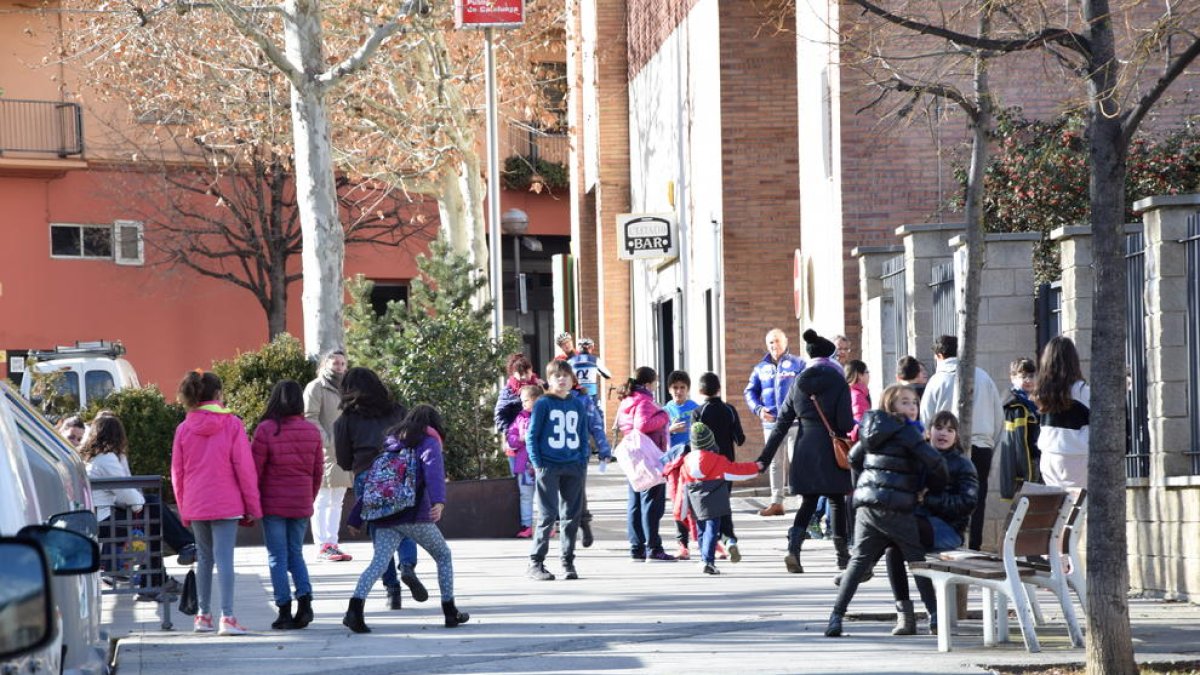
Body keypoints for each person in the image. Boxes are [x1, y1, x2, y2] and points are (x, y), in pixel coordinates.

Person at [825, 384, 948, 638]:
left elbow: (853, 458)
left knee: (858, 562)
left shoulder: (872, 429)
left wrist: (864, 487)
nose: (912, 407)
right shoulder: (908, 432)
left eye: (914, 402)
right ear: (891, 405)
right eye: (905, 402)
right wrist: (930, 488)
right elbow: (935, 462)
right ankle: (935, 617)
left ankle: (836, 616)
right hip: (897, 508)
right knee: (918, 563)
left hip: (868, 508)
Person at [343, 405, 470, 632]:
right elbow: (434, 472)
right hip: (414, 516)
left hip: (385, 516)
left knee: (378, 563)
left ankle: (354, 610)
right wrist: (439, 502)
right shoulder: (428, 442)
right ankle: (450, 611)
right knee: (443, 555)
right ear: (433, 424)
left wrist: (355, 518)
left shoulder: (390, 447)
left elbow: (375, 484)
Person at [171, 370, 262, 635]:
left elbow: (178, 473)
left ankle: (203, 616)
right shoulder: (233, 424)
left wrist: (184, 508)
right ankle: (228, 618)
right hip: (227, 502)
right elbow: (244, 469)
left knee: (204, 559)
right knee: (225, 560)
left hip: (197, 502)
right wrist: (252, 506)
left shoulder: (183, 428)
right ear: (219, 394)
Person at [756, 330, 854, 574]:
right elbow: (845, 423)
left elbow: (781, 423)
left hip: (804, 449)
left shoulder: (798, 382)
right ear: (831, 356)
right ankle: (843, 557)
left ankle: (793, 550)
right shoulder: (838, 380)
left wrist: (764, 459)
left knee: (808, 503)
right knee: (836, 502)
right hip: (831, 450)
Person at [333, 367, 427, 610]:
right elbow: (413, 440)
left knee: (380, 533)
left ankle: (392, 590)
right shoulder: (398, 411)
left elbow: (343, 459)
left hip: (367, 475)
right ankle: (407, 565)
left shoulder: (345, 420)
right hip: (399, 471)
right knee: (405, 524)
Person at [883, 410, 979, 635]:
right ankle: (906, 615)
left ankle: (935, 614)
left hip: (948, 530)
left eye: (950, 429)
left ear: (957, 436)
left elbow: (967, 503)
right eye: (939, 428)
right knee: (893, 549)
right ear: (928, 432)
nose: (943, 433)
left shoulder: (962, 464)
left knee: (904, 537)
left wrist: (928, 499)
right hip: (917, 525)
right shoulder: (919, 459)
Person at [83, 414, 194, 599]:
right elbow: (129, 494)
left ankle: (160, 577)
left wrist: (123, 459)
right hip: (105, 523)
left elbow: (126, 491)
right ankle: (181, 551)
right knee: (152, 510)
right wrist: (138, 505)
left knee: (152, 507)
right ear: (118, 435)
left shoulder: (95, 458)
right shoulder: (107, 459)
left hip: (100, 518)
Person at [919, 335, 1003, 551]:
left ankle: (951, 543)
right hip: (982, 445)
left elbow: (926, 418)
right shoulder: (984, 377)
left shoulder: (936, 381)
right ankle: (974, 546)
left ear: (939, 355)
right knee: (976, 498)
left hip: (944, 451)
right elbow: (998, 418)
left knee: (946, 495)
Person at [252, 380, 324, 630]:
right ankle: (305, 602)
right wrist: (309, 498)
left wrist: (252, 503)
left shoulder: (266, 430)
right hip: (301, 501)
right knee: (296, 554)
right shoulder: (311, 431)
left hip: (273, 502)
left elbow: (255, 472)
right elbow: (318, 472)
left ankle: (283, 610)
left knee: (277, 557)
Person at [526, 359, 592, 580]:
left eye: (565, 375)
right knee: (548, 514)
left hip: (573, 465)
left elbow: (583, 435)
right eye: (557, 376)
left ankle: (567, 560)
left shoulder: (577, 404)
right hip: (549, 465)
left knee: (571, 516)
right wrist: (537, 463)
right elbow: (532, 435)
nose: (562, 380)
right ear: (549, 380)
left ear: (572, 379)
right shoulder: (543, 404)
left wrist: (583, 461)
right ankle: (536, 562)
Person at [682, 422, 762, 575]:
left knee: (701, 530)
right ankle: (708, 561)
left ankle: (703, 558)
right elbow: (737, 471)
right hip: (715, 502)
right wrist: (755, 467)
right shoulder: (718, 460)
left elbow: (683, 485)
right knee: (712, 530)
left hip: (696, 502)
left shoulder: (686, 461)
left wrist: (682, 509)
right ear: (710, 442)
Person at [616, 366, 677, 562]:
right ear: (648, 384)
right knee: (652, 502)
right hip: (648, 457)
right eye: (655, 382)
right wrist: (664, 415)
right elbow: (642, 425)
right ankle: (653, 547)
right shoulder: (644, 400)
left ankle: (637, 547)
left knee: (635, 502)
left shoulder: (627, 399)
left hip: (633, 455)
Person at [744, 328, 804, 516]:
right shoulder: (760, 368)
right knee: (775, 463)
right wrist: (759, 409)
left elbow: (806, 389)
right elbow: (750, 391)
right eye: (770, 342)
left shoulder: (798, 364)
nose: (774, 345)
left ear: (785, 342)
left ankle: (802, 499)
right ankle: (776, 501)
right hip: (771, 424)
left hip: (794, 422)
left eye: (777, 341)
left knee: (797, 461)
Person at [303, 350, 354, 563]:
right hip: (324, 451)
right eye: (335, 363)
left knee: (338, 500)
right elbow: (309, 417)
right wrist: (327, 440)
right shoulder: (316, 387)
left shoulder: (348, 388)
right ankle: (322, 545)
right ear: (325, 364)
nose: (340, 367)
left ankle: (332, 542)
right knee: (322, 499)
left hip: (344, 451)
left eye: (343, 363)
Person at [691, 372, 747, 561]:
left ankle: (714, 543)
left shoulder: (698, 412)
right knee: (723, 503)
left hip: (705, 466)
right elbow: (740, 439)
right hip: (727, 465)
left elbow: (694, 443)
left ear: (700, 390)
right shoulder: (729, 410)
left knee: (709, 509)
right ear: (719, 389)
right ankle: (729, 540)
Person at [1033, 336, 1090, 489]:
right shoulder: (1082, 391)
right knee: (1080, 508)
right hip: (1077, 456)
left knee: (1060, 508)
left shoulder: (1042, 392)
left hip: (1049, 456)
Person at [663, 370, 699, 558]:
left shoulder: (695, 408)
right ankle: (682, 544)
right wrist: (669, 430)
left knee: (694, 501)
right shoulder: (664, 411)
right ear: (669, 390)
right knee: (677, 502)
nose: (679, 391)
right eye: (675, 388)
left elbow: (704, 432)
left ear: (688, 390)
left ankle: (703, 540)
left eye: (682, 388)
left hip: (692, 460)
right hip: (673, 463)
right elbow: (657, 437)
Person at [999, 357, 1042, 499]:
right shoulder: (1013, 405)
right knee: (1025, 507)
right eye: (1023, 376)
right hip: (1023, 464)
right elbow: (1013, 443)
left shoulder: (1036, 402)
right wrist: (1019, 473)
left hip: (1039, 459)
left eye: (1031, 376)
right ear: (1012, 378)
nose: (1028, 380)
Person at [505, 385, 542, 538]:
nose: (523, 404)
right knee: (526, 496)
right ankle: (526, 525)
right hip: (525, 464)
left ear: (536, 400)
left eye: (526, 400)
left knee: (543, 496)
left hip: (542, 463)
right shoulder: (520, 417)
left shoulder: (545, 416)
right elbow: (511, 437)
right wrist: (520, 439)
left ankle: (546, 525)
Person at [569, 338, 612, 408]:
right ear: (590, 348)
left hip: (575, 394)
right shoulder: (595, 360)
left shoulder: (571, 361)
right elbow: (608, 375)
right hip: (590, 395)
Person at [846, 360, 871, 441]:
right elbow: (860, 423)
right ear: (859, 375)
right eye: (867, 372)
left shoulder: (851, 391)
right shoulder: (857, 395)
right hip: (857, 441)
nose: (869, 376)